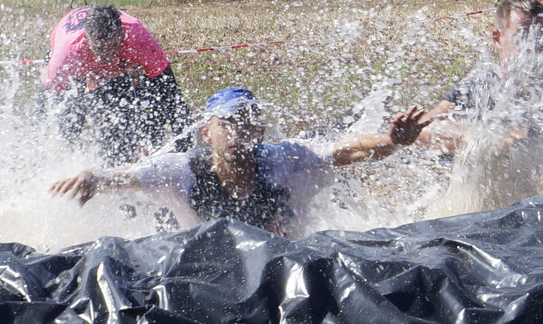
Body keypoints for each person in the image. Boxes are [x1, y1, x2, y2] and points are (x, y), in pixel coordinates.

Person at [49, 87, 431, 235]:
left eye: (246, 124)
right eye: (226, 124)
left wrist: (392, 141)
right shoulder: (180, 172)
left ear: (260, 133)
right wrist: (91, 178)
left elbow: (348, 151)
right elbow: (126, 178)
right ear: (206, 133)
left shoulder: (284, 159)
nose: (236, 133)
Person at [41, 4, 189, 162]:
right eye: (100, 48)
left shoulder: (138, 38)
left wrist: (185, 145)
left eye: (113, 46)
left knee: (121, 133)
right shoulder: (66, 56)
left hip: (115, 61)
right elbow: (44, 106)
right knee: (68, 123)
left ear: (121, 35)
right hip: (73, 55)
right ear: (87, 39)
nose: (107, 55)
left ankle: (118, 161)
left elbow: (171, 93)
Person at [419, 0, 543, 152]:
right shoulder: (479, 86)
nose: (532, 47)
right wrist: (488, 136)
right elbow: (421, 130)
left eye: (539, 38)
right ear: (498, 39)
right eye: (522, 37)